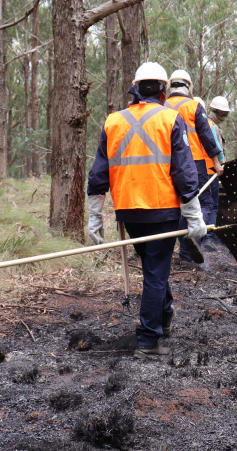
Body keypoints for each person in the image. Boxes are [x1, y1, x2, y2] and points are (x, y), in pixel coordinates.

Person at [86, 62, 206, 358]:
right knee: (156, 273)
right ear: (163, 90)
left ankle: (164, 317)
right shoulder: (171, 118)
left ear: (135, 88)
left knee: (154, 268)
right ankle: (147, 339)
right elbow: (184, 171)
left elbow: (98, 173)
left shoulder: (113, 121)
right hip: (162, 210)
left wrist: (95, 216)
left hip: (128, 212)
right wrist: (194, 215)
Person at [165, 70, 223, 264]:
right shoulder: (194, 106)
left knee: (180, 206)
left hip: (167, 164)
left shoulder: (161, 106)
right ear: (189, 87)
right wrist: (216, 163)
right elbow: (207, 136)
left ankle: (182, 251)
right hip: (195, 163)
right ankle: (189, 247)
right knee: (204, 204)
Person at [206, 96, 230, 236]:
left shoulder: (210, 125)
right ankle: (210, 236)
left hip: (209, 170)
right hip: (211, 170)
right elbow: (217, 150)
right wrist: (220, 165)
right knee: (212, 205)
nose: (223, 116)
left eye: (225, 113)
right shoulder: (211, 126)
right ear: (213, 111)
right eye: (221, 113)